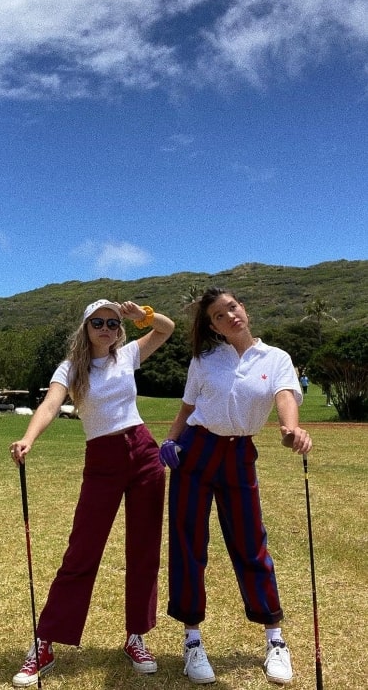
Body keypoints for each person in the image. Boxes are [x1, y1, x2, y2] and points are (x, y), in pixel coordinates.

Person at [9, 299, 175, 687]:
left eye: (113, 324)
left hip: (144, 452)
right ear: (85, 327)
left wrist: (142, 317)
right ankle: (46, 642)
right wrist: (28, 438)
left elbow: (166, 330)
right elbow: (51, 404)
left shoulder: (128, 354)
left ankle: (136, 635)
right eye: (98, 322)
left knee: (144, 549)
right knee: (82, 551)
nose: (106, 329)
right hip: (101, 457)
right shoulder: (70, 368)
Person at [159, 287, 312, 686]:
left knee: (251, 543)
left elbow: (285, 394)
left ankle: (275, 639)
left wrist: (291, 428)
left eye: (233, 307)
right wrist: (171, 440)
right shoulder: (204, 359)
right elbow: (188, 407)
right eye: (220, 316)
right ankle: (192, 640)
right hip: (196, 452)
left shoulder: (276, 358)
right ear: (213, 327)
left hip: (239, 454)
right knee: (189, 543)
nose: (230, 317)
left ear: (244, 308)